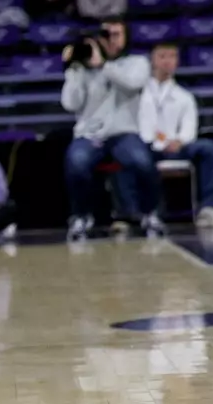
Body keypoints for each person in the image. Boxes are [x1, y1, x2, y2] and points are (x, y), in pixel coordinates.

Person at [61, 17, 159, 240]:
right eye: (106, 35)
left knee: (141, 161)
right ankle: (80, 216)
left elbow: (132, 83)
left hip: (124, 133)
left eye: (116, 34)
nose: (111, 40)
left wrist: (103, 65)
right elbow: (70, 104)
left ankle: (150, 213)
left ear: (126, 38)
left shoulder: (136, 62)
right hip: (90, 134)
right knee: (76, 162)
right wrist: (72, 70)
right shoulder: (84, 67)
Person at [139, 42, 213, 228]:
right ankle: (137, 212)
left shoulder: (184, 96)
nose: (167, 61)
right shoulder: (138, 93)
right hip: (146, 146)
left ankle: (209, 209)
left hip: (176, 147)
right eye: (162, 56)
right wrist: (159, 141)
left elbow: (190, 127)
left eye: (172, 56)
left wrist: (180, 141)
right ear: (153, 60)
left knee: (209, 147)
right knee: (129, 151)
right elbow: (140, 125)